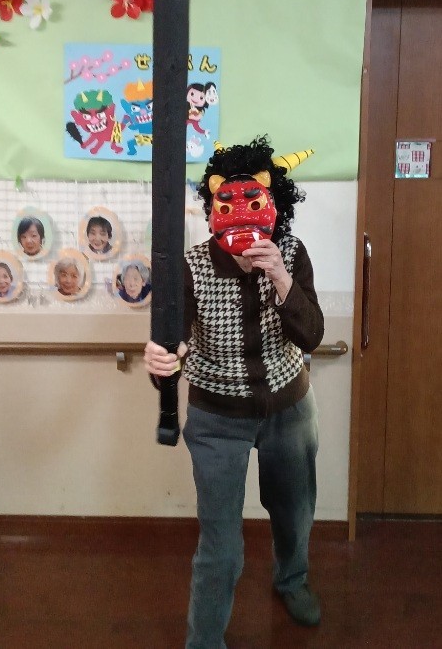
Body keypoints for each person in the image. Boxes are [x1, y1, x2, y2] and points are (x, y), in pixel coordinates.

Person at [144, 136, 324, 647]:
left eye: (253, 201)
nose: (241, 214)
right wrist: (162, 361)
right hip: (216, 418)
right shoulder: (192, 265)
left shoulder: (291, 253)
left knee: (294, 511)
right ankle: (204, 641)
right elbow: (174, 345)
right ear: (212, 209)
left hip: (289, 408)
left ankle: (292, 580)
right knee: (220, 545)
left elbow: (311, 334)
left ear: (275, 205)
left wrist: (280, 277)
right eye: (226, 203)